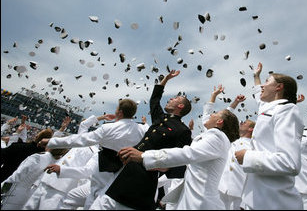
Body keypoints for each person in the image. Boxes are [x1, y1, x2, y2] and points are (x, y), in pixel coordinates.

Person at [116, 84, 240, 209]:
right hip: (191, 200)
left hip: (201, 203)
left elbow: (188, 154)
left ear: (219, 122)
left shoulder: (217, 137)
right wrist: (167, 167)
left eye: (215, 113)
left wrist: (144, 156)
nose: (211, 114)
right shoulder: (214, 137)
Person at [90, 70, 193, 210]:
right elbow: (155, 98)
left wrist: (152, 161)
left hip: (144, 178)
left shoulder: (183, 130)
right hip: (126, 169)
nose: (170, 99)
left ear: (180, 106)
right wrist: (166, 79)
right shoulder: (161, 118)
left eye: (174, 99)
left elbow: (179, 162)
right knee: (101, 205)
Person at [37, 99, 147, 209]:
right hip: (121, 179)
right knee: (71, 198)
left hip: (102, 179)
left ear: (120, 112)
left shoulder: (108, 128)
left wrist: (51, 142)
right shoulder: (142, 130)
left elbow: (80, 140)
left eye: (116, 109)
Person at [234, 62, 305, 210]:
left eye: (267, 82)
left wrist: (248, 157)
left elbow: (290, 163)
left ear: (279, 87)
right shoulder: (269, 108)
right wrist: (256, 76)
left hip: (274, 201)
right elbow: (258, 95)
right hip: (255, 198)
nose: (262, 86)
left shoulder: (287, 111)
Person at [1, 132, 69, 210]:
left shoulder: (38, 157)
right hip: (28, 196)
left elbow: (17, 176)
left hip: (13, 191)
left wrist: (3, 187)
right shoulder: (56, 163)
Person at [218, 93, 255, 210]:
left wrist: (246, 201)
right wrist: (235, 103)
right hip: (221, 188)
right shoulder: (230, 140)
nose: (241, 122)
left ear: (251, 129)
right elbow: (225, 117)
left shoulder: (254, 145)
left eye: (245, 123)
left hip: (240, 192)